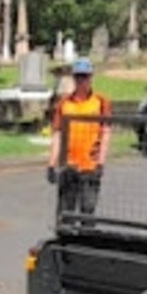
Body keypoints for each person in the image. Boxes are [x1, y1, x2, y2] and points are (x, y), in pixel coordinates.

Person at [47, 57, 111, 217]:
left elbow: (106, 133)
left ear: (91, 77)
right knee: (65, 212)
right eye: (78, 77)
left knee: (87, 211)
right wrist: (51, 164)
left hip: (90, 165)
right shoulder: (64, 103)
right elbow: (57, 134)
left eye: (85, 76)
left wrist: (101, 163)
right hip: (69, 165)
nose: (81, 81)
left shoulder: (100, 102)